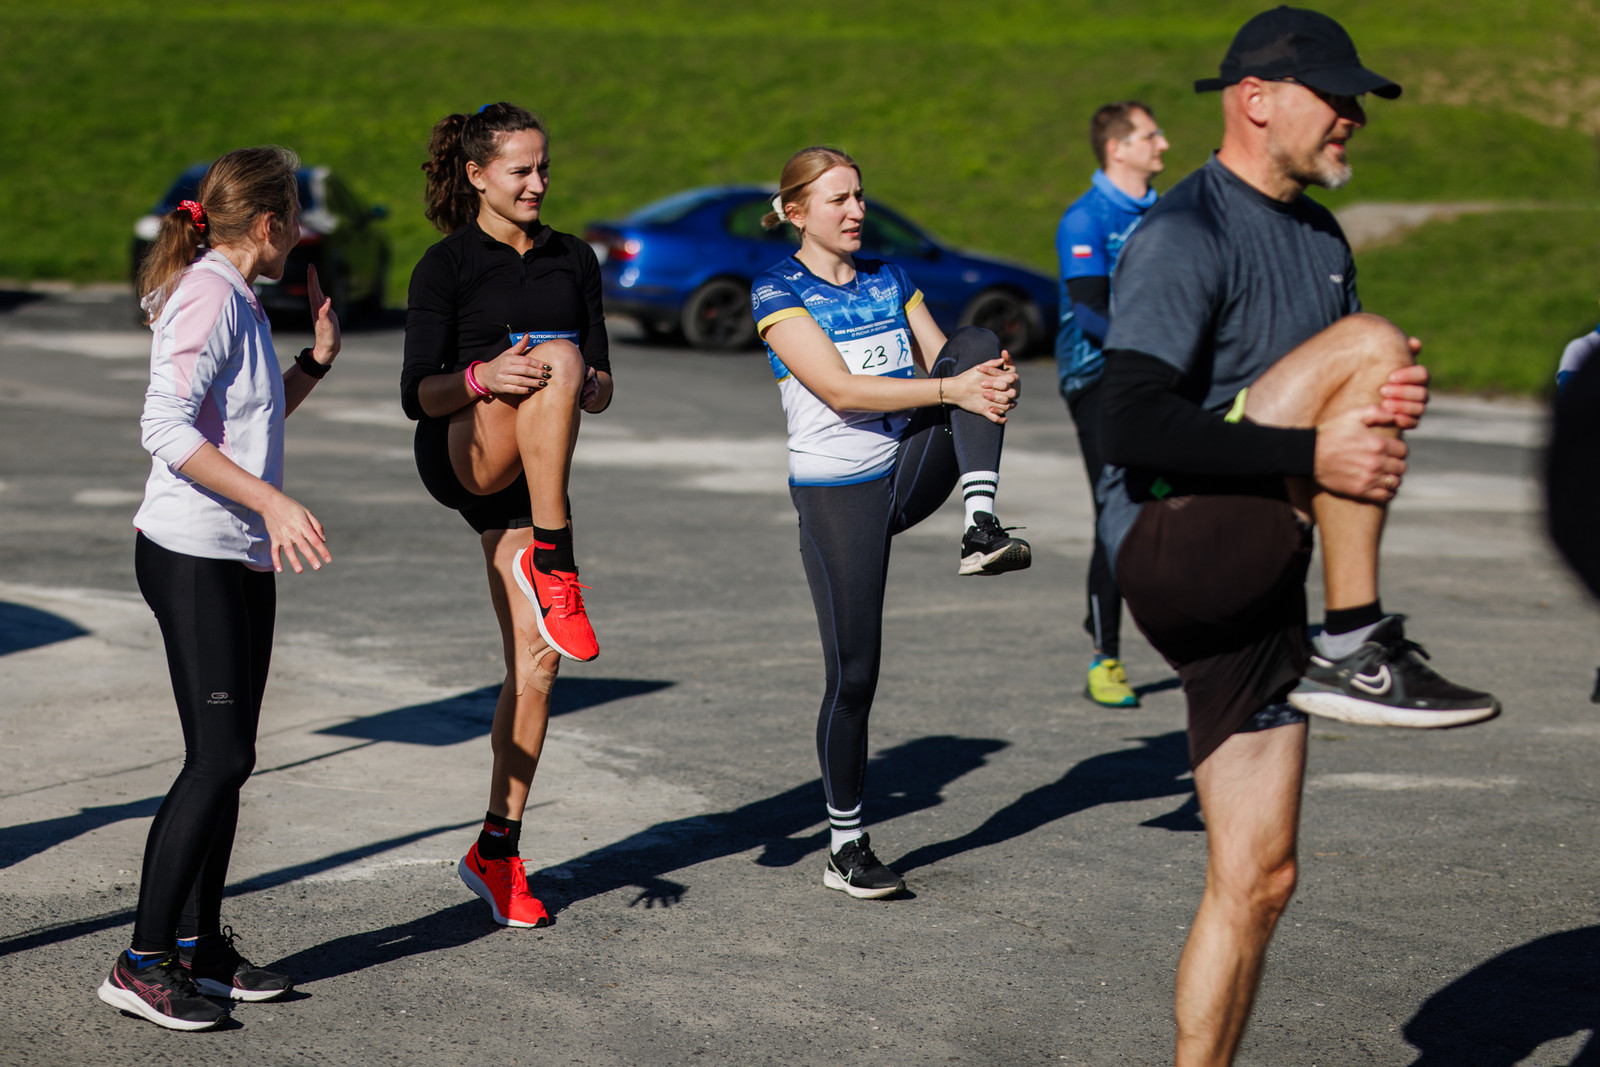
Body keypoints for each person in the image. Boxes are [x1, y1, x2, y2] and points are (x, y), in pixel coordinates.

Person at [1092, 9, 1500, 1063]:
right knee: (1367, 342)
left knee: (1259, 876)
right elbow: (1125, 420)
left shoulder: (1319, 238)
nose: (1354, 116)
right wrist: (1321, 442)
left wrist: (1378, 401)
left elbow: (1327, 401)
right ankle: (1357, 635)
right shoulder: (1185, 230)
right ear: (1256, 100)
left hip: (1259, 572)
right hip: (1177, 533)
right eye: (1335, 95)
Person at [99, 146, 340, 1030]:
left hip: (236, 553)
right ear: (268, 224)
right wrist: (273, 501)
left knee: (231, 756)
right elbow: (163, 426)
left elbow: (240, 427)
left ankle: (200, 948)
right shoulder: (208, 292)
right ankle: (141, 962)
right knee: (219, 757)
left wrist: (313, 363)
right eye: (297, 216)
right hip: (191, 552)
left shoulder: (236, 295)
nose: (303, 232)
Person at [752, 146, 1029, 899]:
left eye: (860, 195)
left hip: (905, 468)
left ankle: (981, 525)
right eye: (838, 200)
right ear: (797, 213)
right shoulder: (777, 290)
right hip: (836, 493)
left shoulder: (891, 277)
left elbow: (949, 364)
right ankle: (845, 847)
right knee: (855, 675)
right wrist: (955, 391)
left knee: (978, 343)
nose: (856, 210)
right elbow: (840, 390)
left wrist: (988, 385)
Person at [403, 103, 612, 930]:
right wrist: (485, 376)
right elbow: (417, 394)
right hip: (466, 449)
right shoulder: (446, 265)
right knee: (553, 353)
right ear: (478, 174)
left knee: (538, 661)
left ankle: (498, 846)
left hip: (535, 474)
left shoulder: (575, 258)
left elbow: (601, 375)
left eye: (543, 167)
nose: (537, 183)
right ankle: (555, 558)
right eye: (520, 170)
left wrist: (590, 384)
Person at [1055, 101, 1169, 708]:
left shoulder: (1171, 214)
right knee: (1117, 505)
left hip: (1164, 377)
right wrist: (1156, 352)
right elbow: (1092, 312)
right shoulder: (1085, 218)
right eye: (1151, 135)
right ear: (1117, 148)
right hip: (1099, 379)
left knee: (1178, 499)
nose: (1164, 144)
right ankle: (1106, 655)